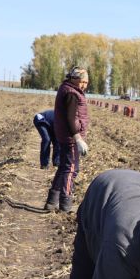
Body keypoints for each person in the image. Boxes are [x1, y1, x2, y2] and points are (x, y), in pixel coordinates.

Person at [44, 67, 90, 213]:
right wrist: (78, 138)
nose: (84, 85)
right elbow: (70, 118)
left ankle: (52, 202)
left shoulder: (66, 89)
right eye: (82, 81)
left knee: (64, 167)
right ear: (74, 79)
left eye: (86, 82)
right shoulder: (72, 93)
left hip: (64, 135)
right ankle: (65, 203)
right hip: (70, 137)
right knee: (71, 169)